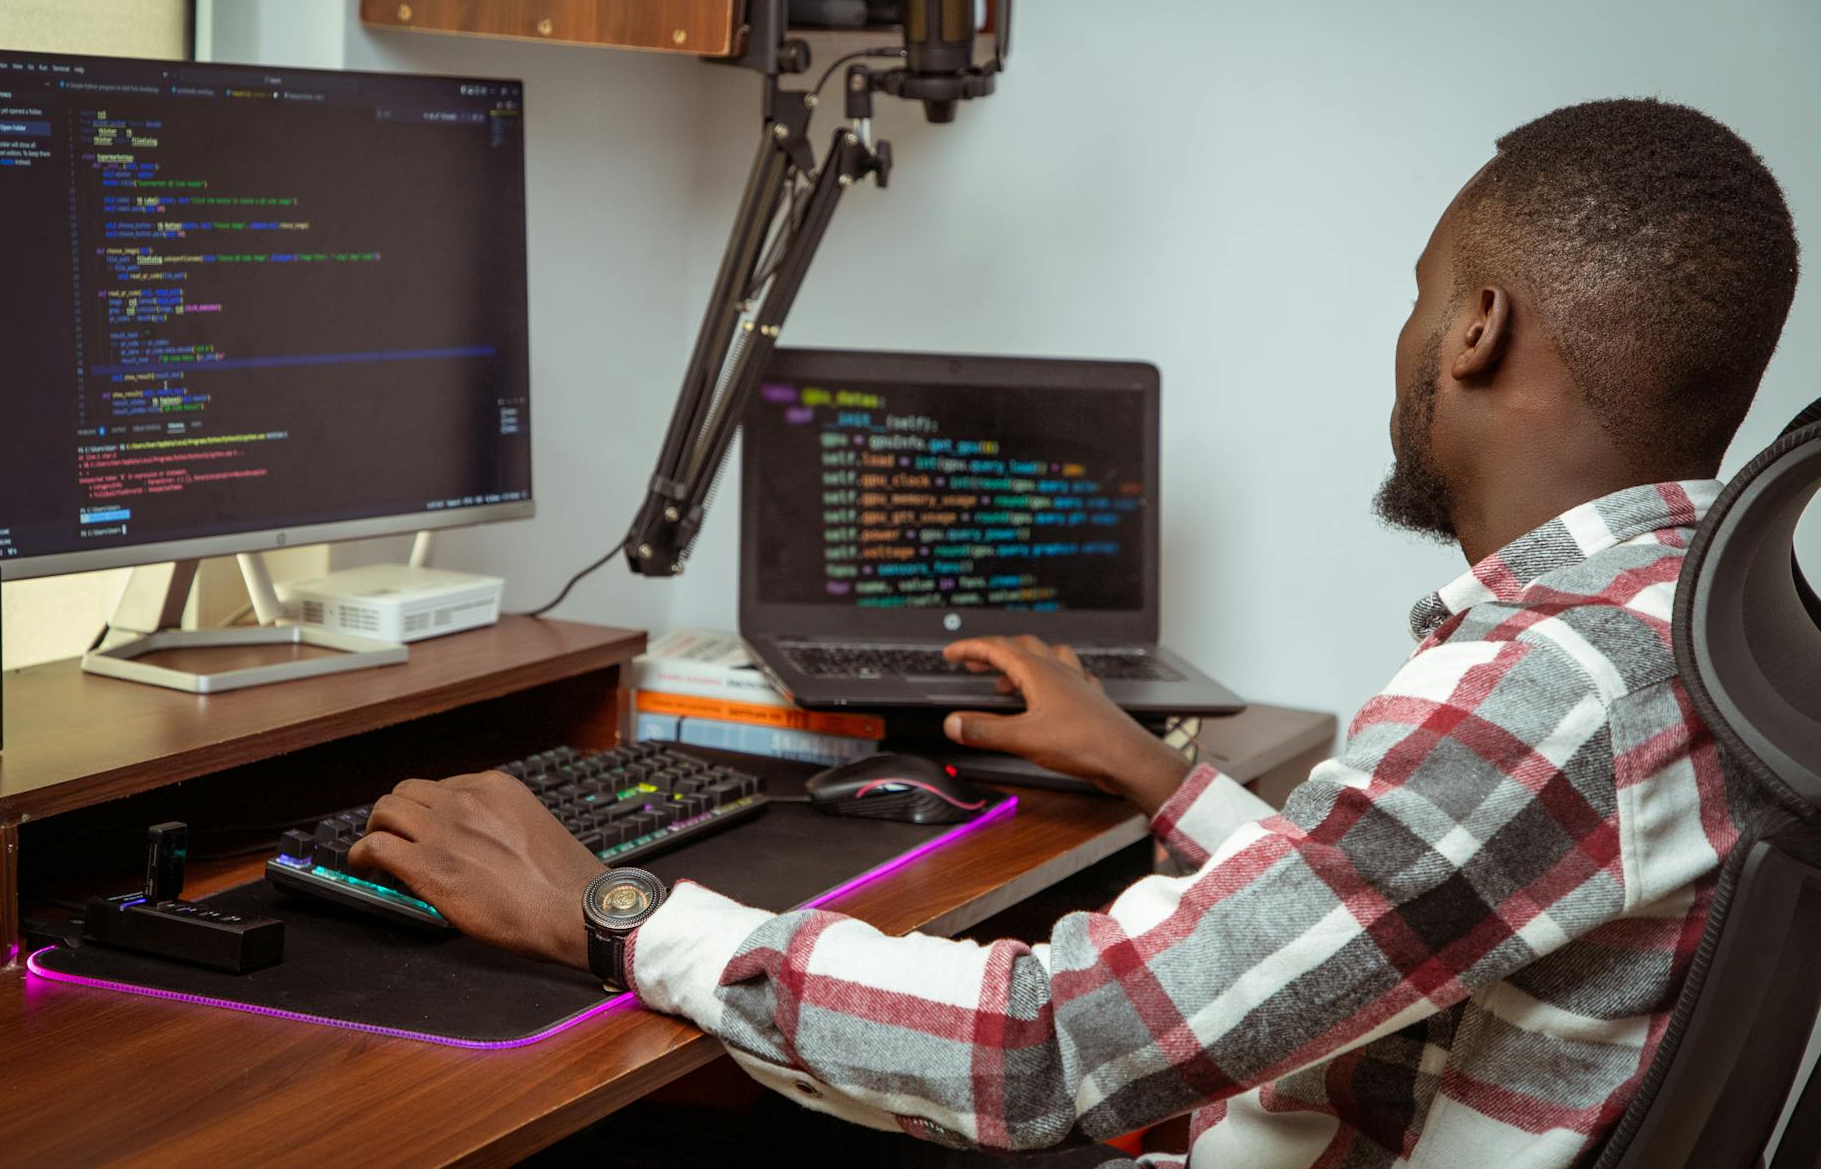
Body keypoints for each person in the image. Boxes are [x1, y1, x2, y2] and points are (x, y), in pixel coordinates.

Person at [349, 98, 1802, 1167]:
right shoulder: (1714, 630)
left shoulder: (1550, 687)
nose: (1409, 336)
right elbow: (1389, 904)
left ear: (1476, 327)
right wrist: (1156, 777)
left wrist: (611, 910)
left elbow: (1047, 1043)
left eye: (1419, 297)